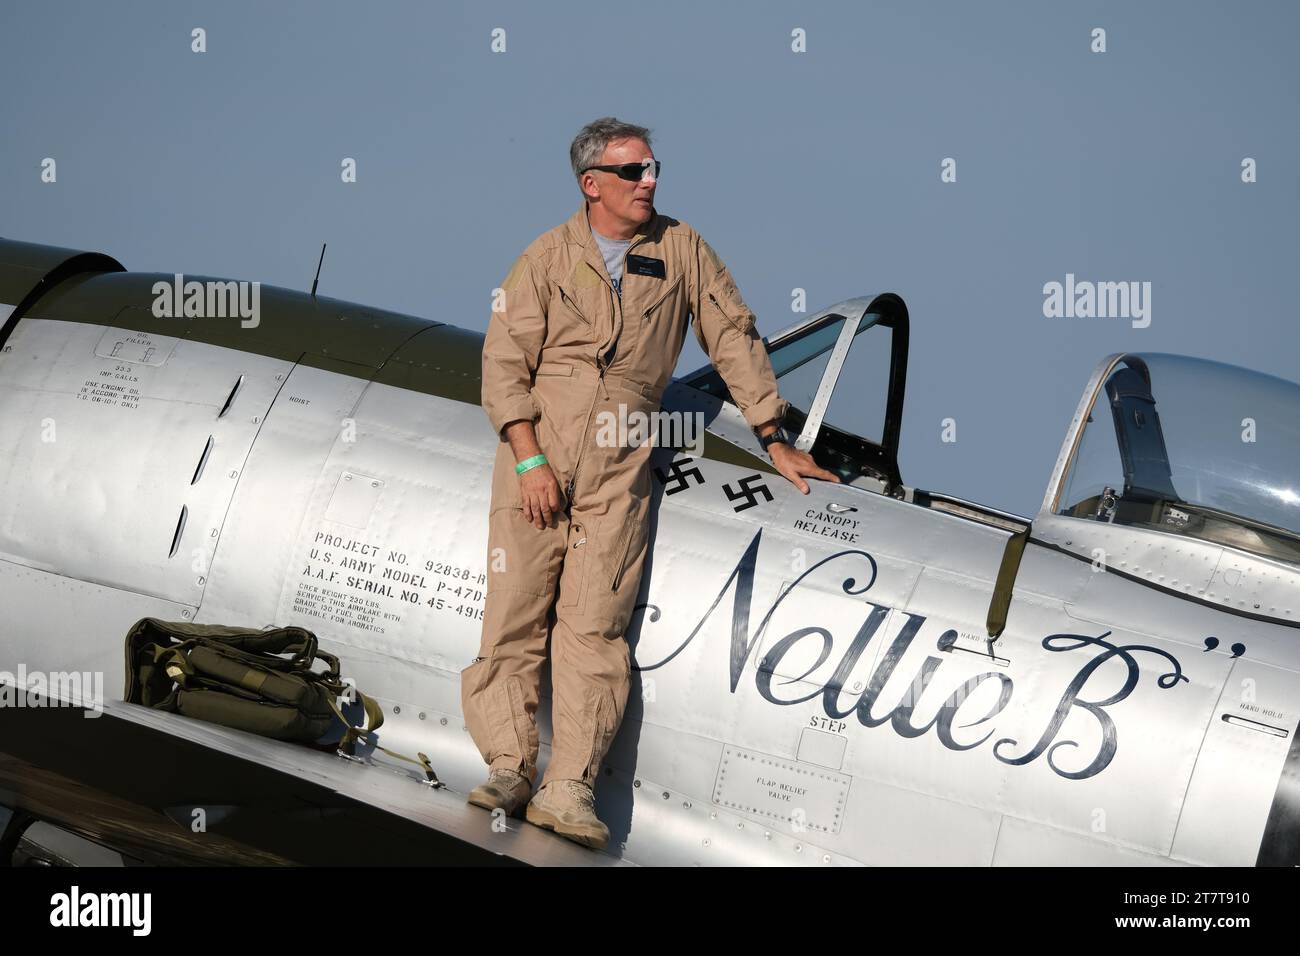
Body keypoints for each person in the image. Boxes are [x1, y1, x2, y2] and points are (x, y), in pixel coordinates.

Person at [462, 117, 838, 850]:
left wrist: (772, 435)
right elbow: (503, 363)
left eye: (654, 168)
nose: (650, 183)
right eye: (633, 172)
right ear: (591, 184)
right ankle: (509, 766)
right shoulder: (544, 258)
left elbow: (732, 332)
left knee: (596, 627)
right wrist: (530, 458)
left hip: (622, 462)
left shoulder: (682, 248)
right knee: (513, 616)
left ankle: (568, 788)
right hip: (536, 458)